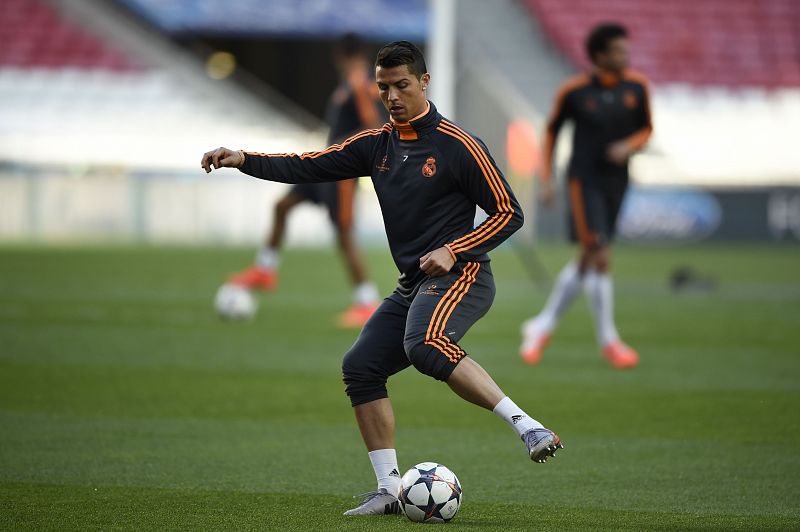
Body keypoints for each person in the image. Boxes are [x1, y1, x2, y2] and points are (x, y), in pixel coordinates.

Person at [202, 40, 563, 516]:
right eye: (384, 87)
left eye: (402, 85)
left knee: (426, 345)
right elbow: (307, 165)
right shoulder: (375, 145)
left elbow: (509, 214)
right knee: (361, 367)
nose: (392, 96)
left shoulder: (459, 146)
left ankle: (528, 426)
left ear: (424, 83)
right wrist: (244, 159)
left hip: (465, 275)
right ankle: (390, 490)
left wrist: (454, 249)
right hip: (414, 282)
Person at [226, 33, 385, 328]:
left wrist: (344, 149)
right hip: (325, 166)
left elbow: (374, 127)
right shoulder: (351, 83)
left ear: (341, 55)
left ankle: (367, 302)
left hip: (341, 172)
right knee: (283, 205)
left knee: (344, 234)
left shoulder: (360, 83)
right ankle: (265, 269)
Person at [520, 23, 652, 369]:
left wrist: (630, 145)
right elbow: (550, 133)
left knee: (588, 255)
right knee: (600, 253)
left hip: (617, 181)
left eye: (626, 50)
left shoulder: (637, 87)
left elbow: (647, 129)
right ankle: (609, 340)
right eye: (619, 51)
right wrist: (546, 179)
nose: (626, 56)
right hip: (583, 180)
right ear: (599, 55)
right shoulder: (575, 91)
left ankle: (541, 325)